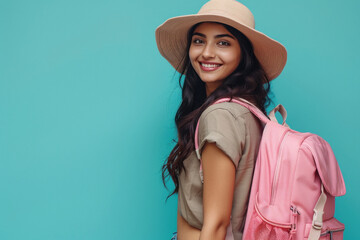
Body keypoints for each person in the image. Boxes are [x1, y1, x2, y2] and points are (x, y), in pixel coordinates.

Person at [155, 0, 287, 239]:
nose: (206, 52)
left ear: (243, 53)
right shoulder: (247, 111)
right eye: (199, 40)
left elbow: (216, 225)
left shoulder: (220, 116)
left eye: (223, 42)